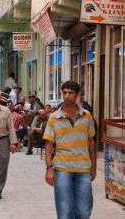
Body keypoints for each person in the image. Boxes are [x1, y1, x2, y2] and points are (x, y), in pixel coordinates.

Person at [43, 81, 96, 219]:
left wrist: (94, 167)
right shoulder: (54, 118)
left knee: (84, 211)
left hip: (83, 168)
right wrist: (49, 168)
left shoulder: (87, 116)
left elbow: (91, 142)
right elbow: (48, 145)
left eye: (71, 93)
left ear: (77, 95)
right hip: (62, 169)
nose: (67, 96)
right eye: (65, 92)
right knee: (65, 212)